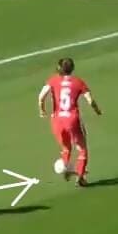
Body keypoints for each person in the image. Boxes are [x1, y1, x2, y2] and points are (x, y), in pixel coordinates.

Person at [39, 57, 102, 187]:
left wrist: (42, 110)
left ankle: (65, 168)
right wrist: (97, 110)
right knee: (82, 149)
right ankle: (80, 176)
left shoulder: (53, 80)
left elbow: (41, 96)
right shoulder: (78, 82)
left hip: (57, 120)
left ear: (59, 69)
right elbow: (90, 100)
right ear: (72, 68)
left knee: (66, 148)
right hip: (72, 120)